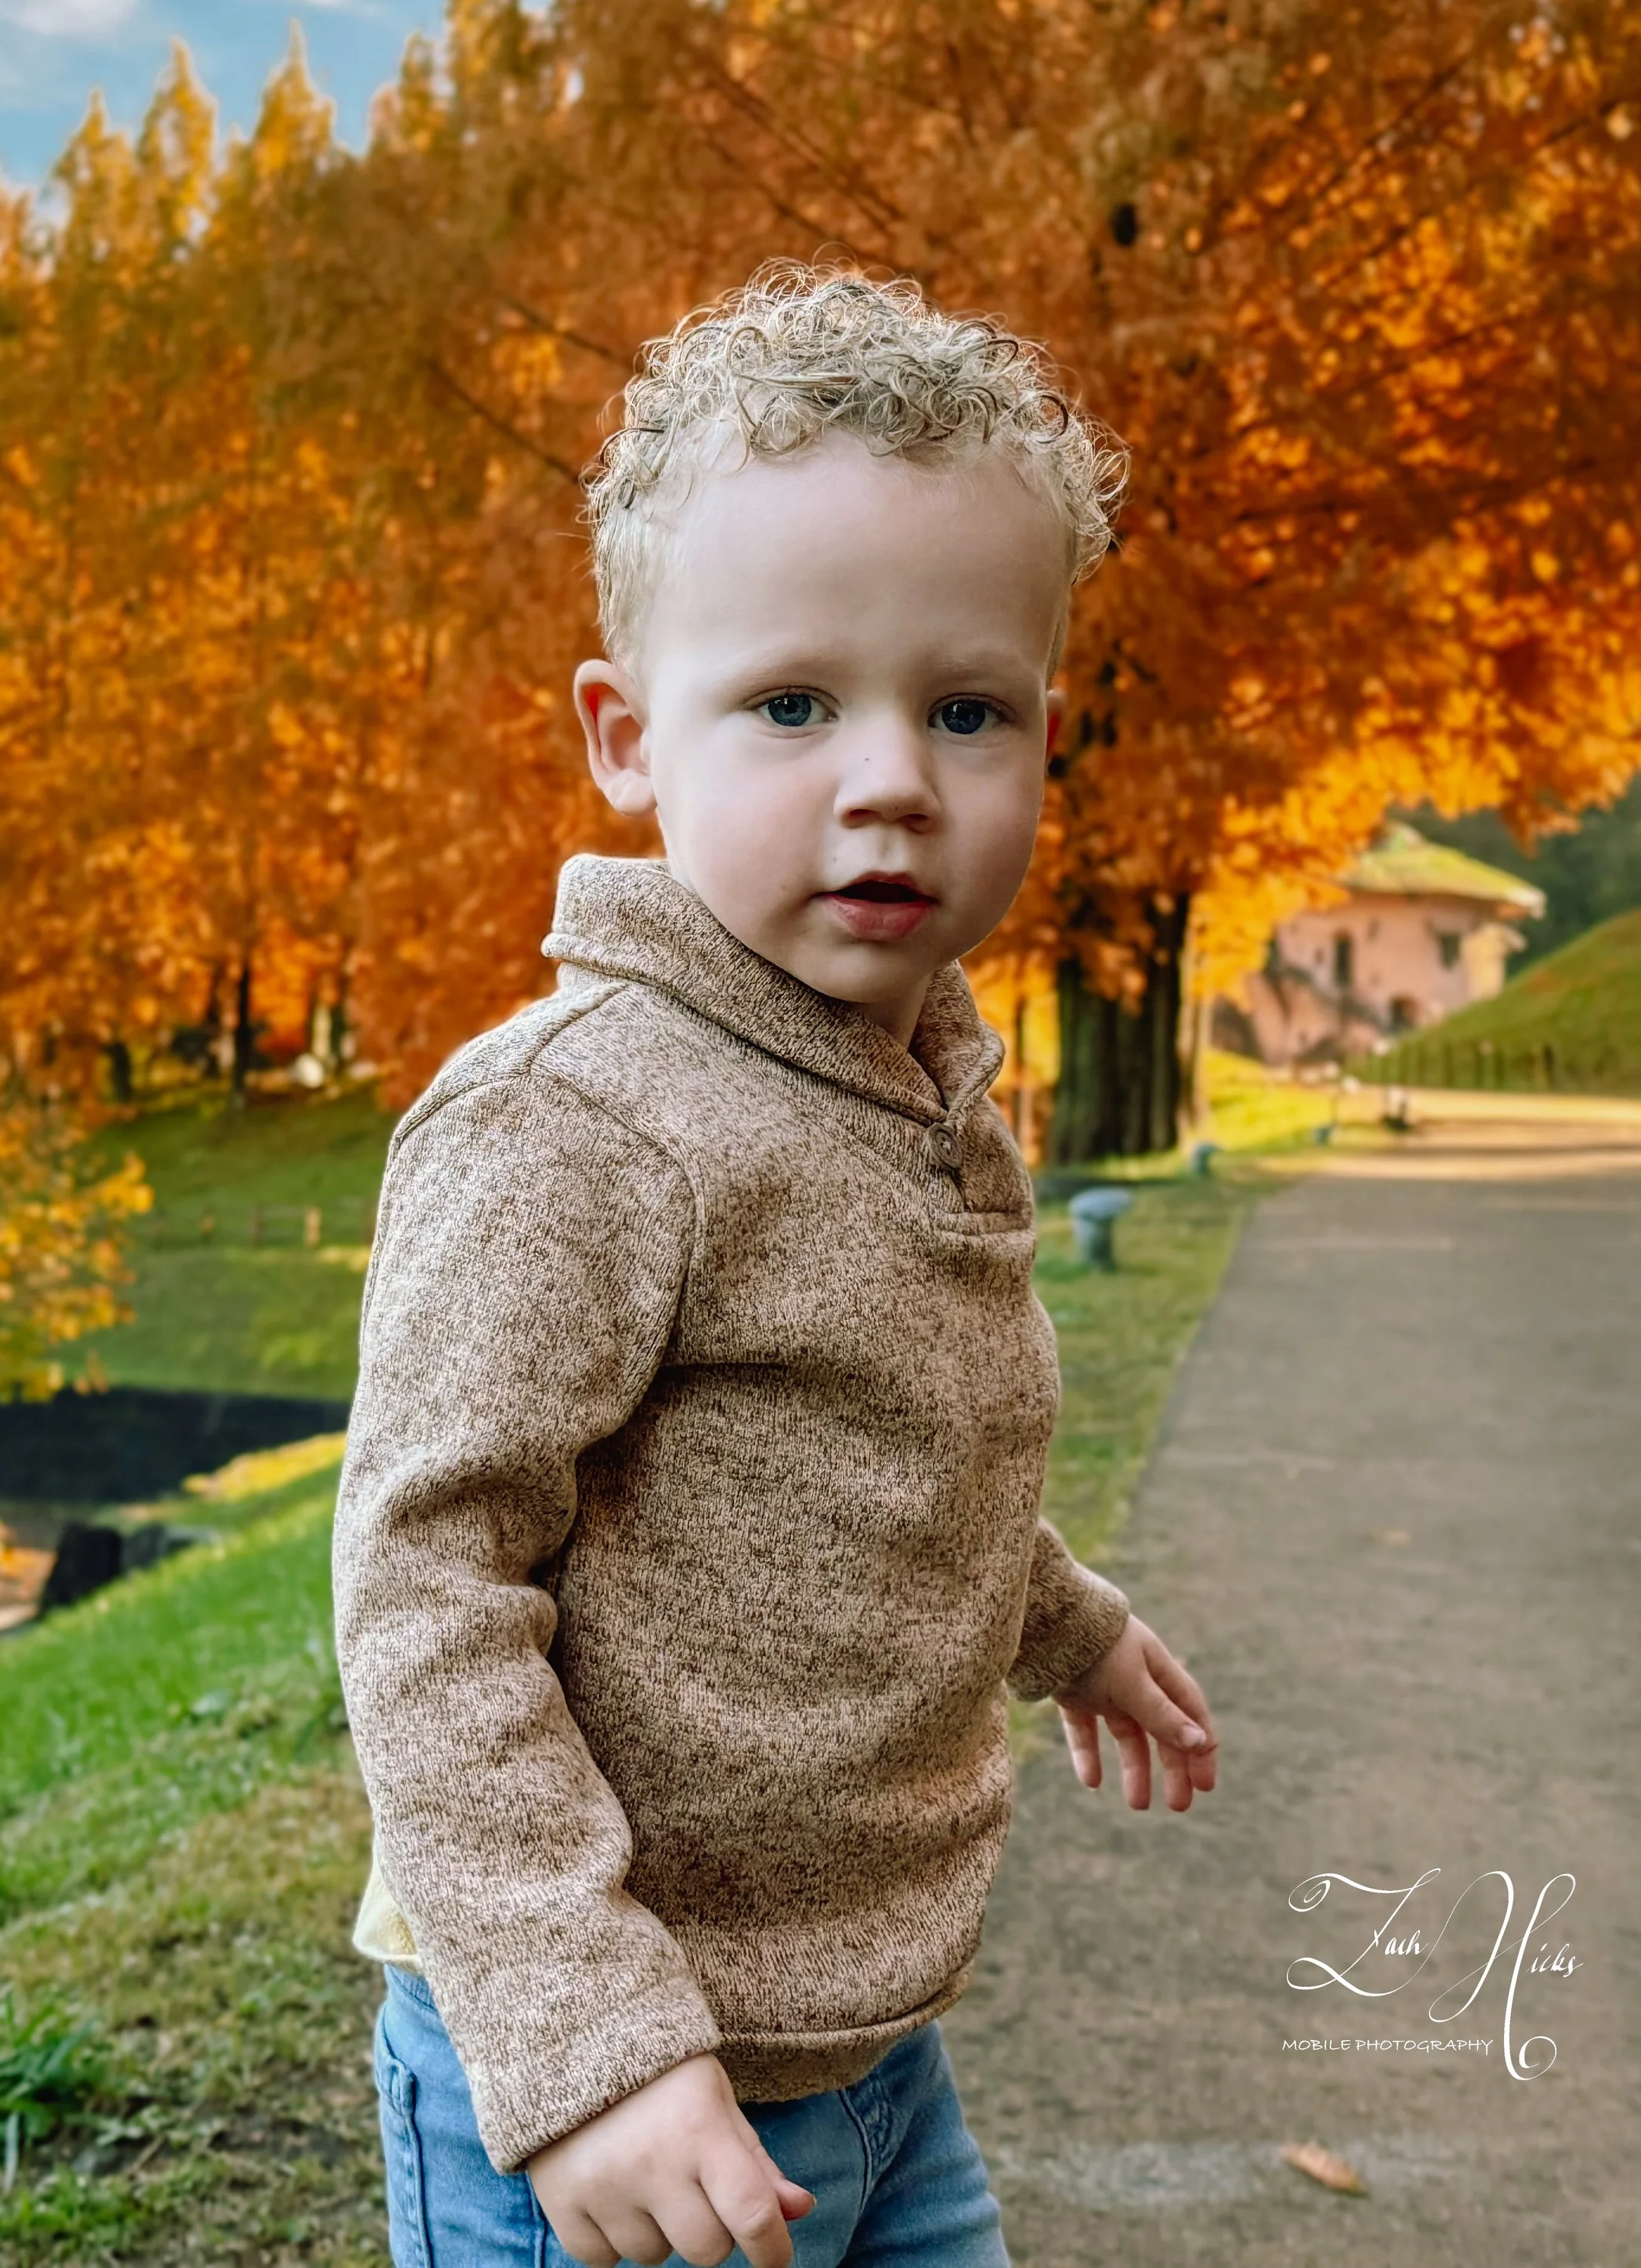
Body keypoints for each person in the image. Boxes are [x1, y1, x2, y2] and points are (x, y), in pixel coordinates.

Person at [332, 265, 1219, 2268]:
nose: (889, 773)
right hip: (619, 2086)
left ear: (1044, 740)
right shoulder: (574, 1115)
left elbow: (878, 1448)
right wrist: (588, 2039)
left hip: (870, 2049)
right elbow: (425, 1585)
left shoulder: (906, 1070)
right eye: (795, 703)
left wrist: (1058, 1617)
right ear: (628, 737)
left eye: (964, 707)